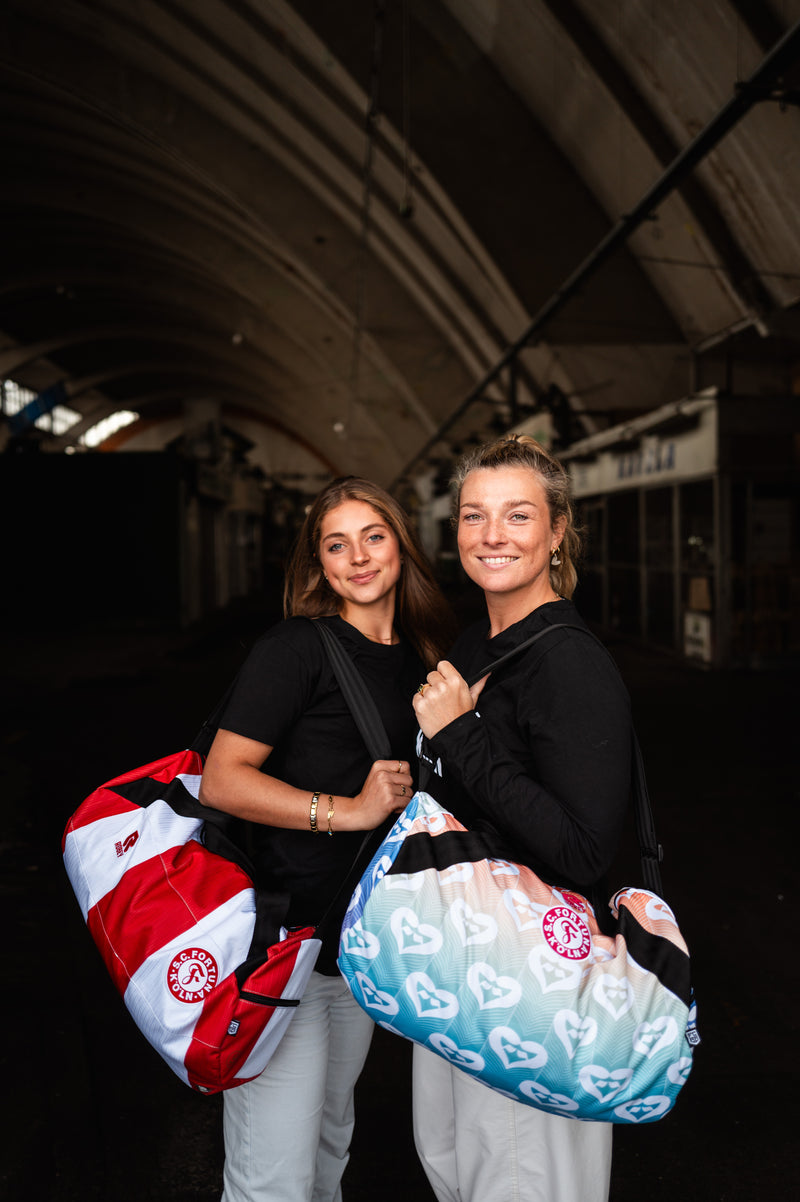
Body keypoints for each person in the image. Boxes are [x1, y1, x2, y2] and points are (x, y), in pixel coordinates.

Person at [199, 475, 453, 1202]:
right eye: (336, 544)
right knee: (271, 1172)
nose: (359, 557)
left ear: (402, 546)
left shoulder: (423, 661)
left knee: (329, 1144)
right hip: (285, 948)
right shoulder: (297, 648)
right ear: (319, 564)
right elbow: (223, 778)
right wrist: (349, 810)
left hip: (361, 948)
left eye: (374, 536)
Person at [411, 434, 632, 1202]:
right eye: (475, 516)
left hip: (532, 975)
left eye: (517, 515)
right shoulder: (481, 642)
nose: (493, 535)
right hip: (460, 959)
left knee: (518, 1180)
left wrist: (460, 737)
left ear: (556, 532)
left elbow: (581, 848)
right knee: (456, 1168)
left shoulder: (566, 662)